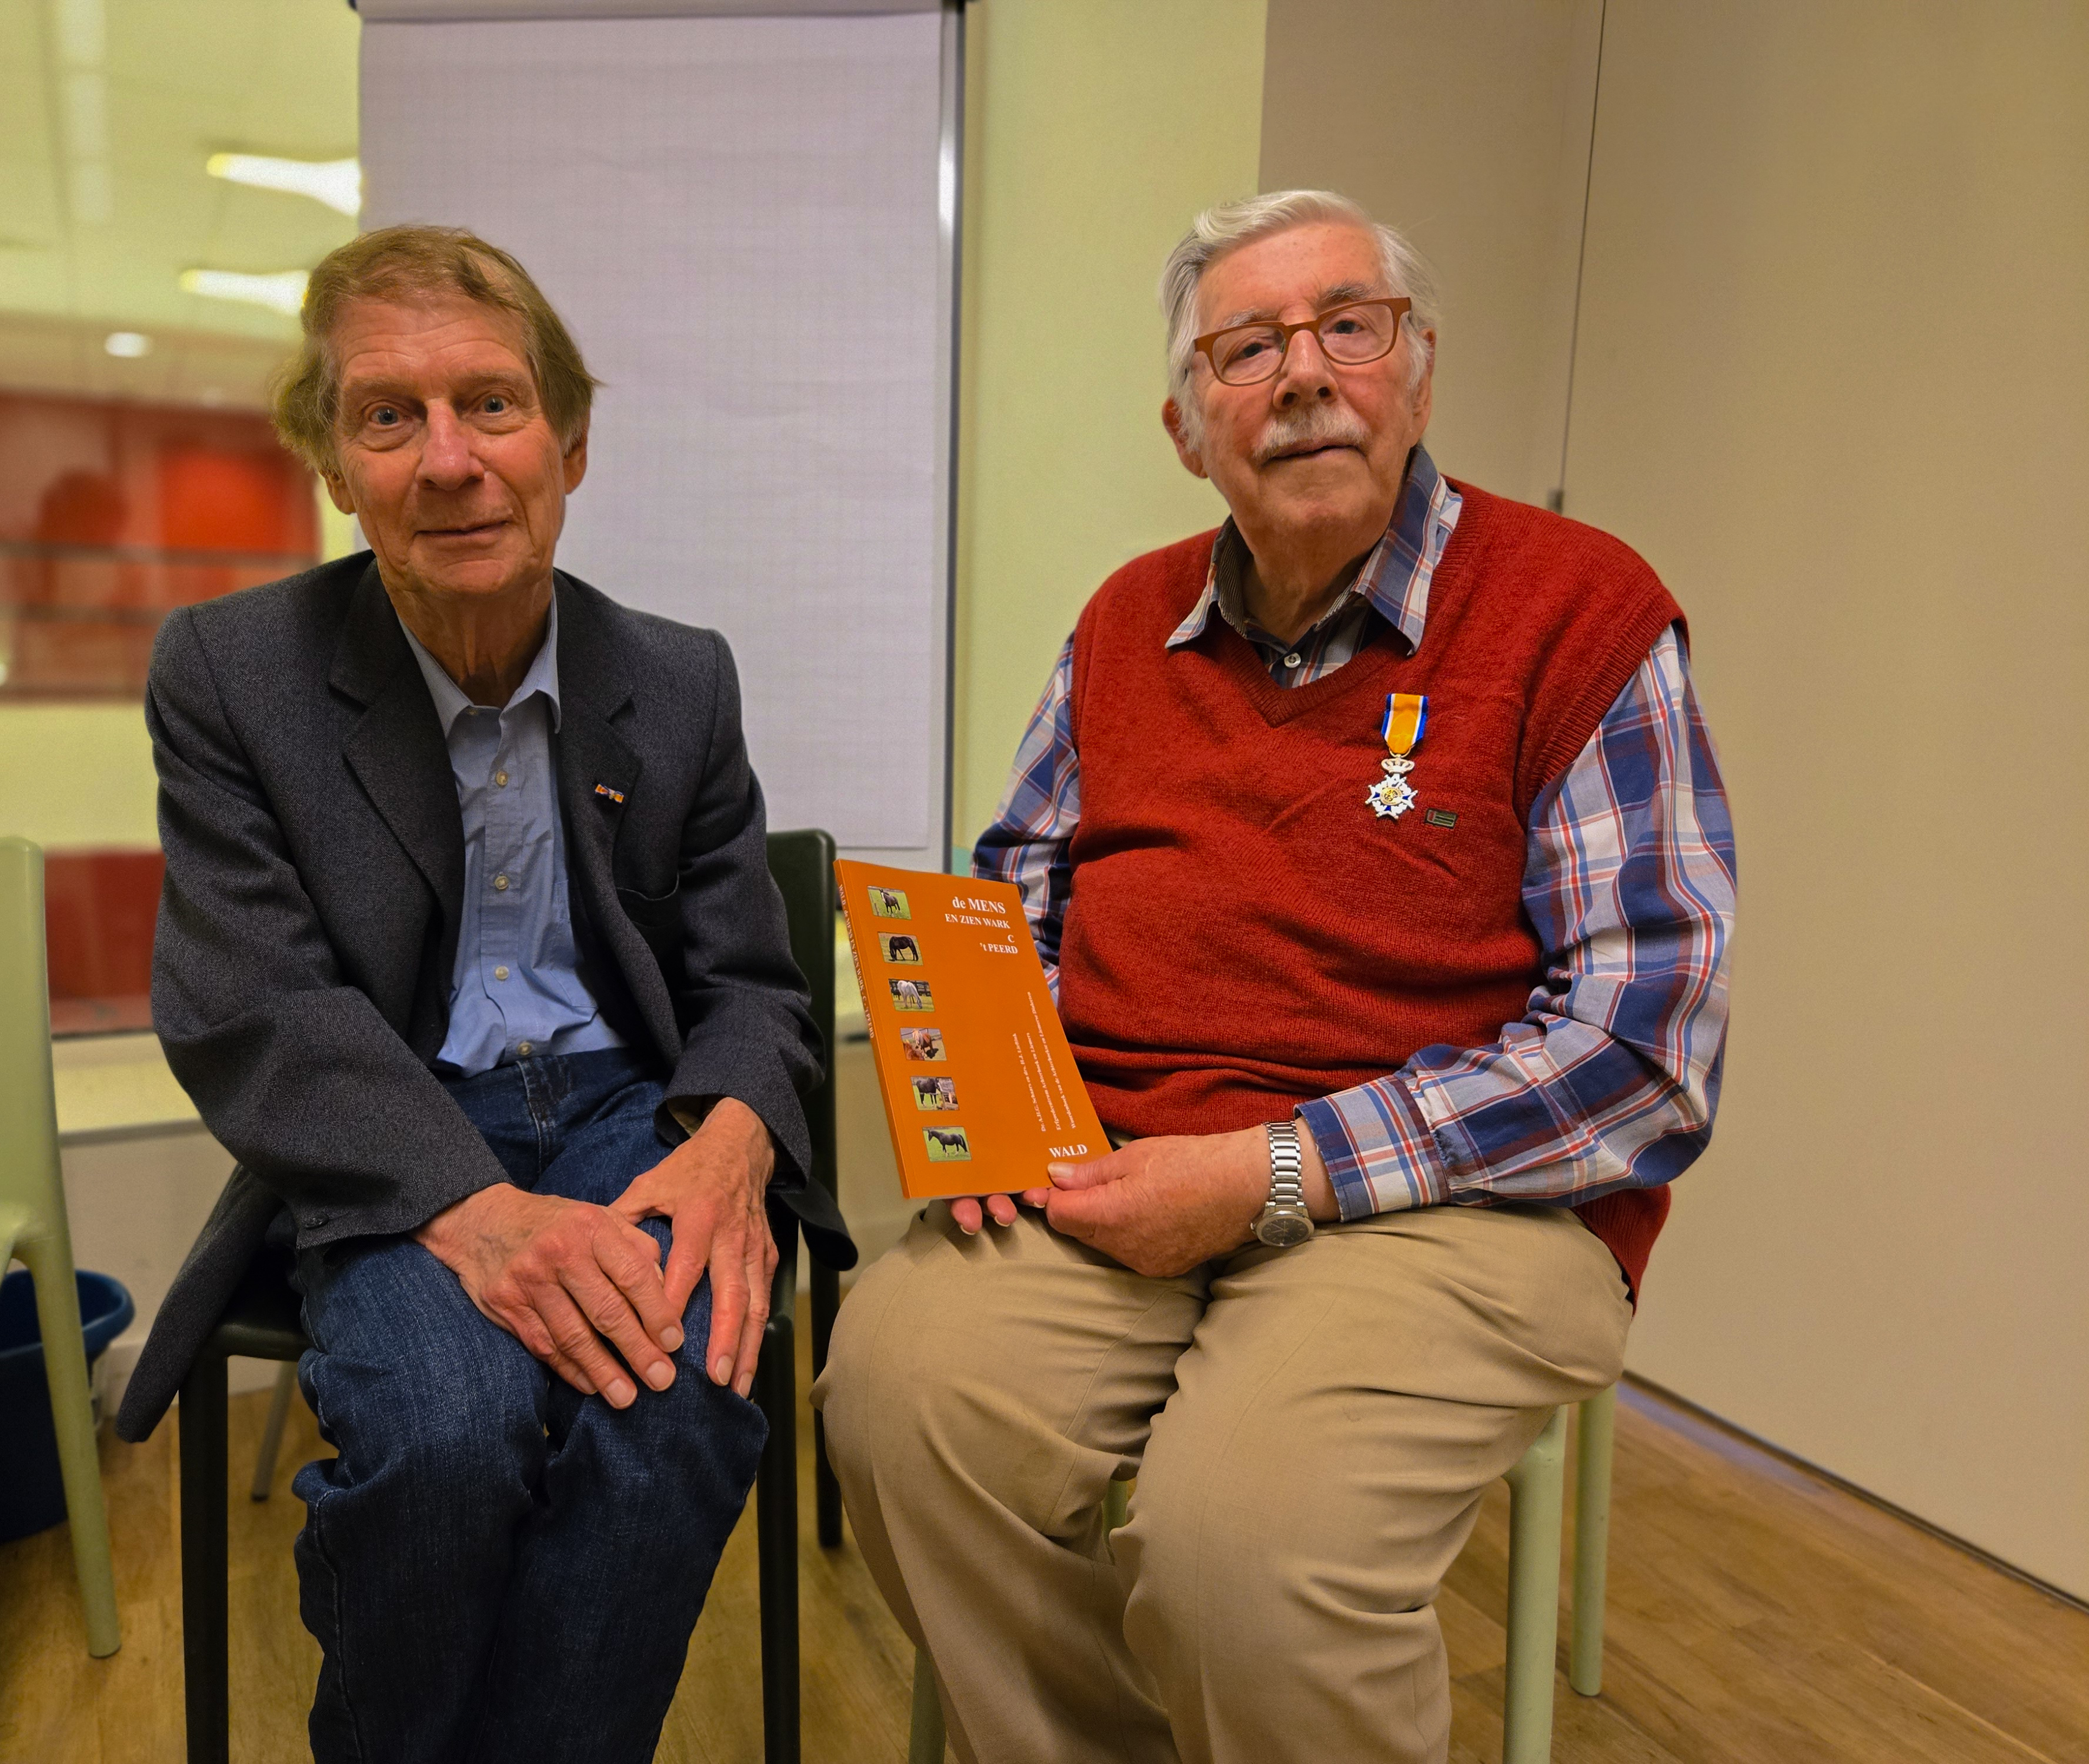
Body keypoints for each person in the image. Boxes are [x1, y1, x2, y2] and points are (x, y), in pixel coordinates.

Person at [814, 189, 1735, 1763]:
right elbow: (1016, 906)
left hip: (1460, 1210)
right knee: (894, 1399)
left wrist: (1271, 1176)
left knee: (1245, 1543)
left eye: (1344, 327)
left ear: (1418, 373)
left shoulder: (1580, 610)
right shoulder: (1121, 623)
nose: (1302, 372)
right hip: (1115, 1166)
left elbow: (1640, 1048)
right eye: (1246, 349)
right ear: (1188, 429)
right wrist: (989, 1118)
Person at [112, 223, 853, 1764]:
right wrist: (475, 1210)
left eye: (492, 406)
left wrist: (729, 1147)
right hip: (389, 1109)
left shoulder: (679, 676)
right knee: (447, 1437)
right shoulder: (230, 671)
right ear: (336, 464)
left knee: (682, 1407)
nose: (448, 460)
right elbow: (250, 998)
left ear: (571, 442)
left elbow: (746, 979)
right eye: (390, 415)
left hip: (617, 1106)